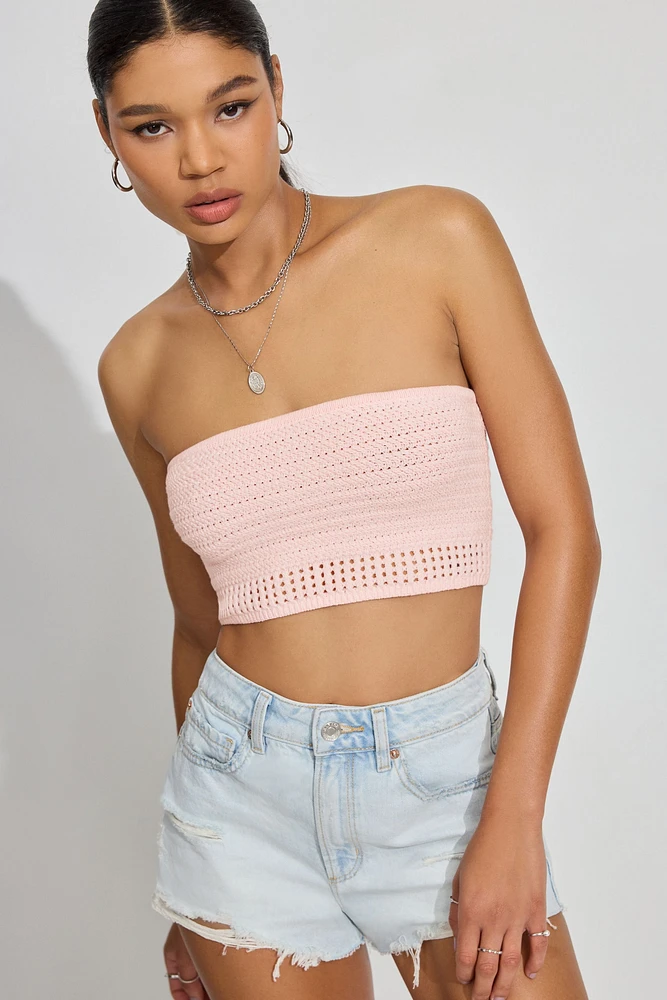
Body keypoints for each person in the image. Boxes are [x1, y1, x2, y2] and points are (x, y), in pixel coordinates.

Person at [87, 2, 600, 998]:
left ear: (276, 86)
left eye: (230, 106)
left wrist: (514, 817)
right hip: (239, 812)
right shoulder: (136, 365)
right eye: (151, 125)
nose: (200, 159)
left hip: (448, 786)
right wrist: (199, 898)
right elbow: (198, 622)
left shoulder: (436, 239)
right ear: (107, 132)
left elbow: (563, 532)